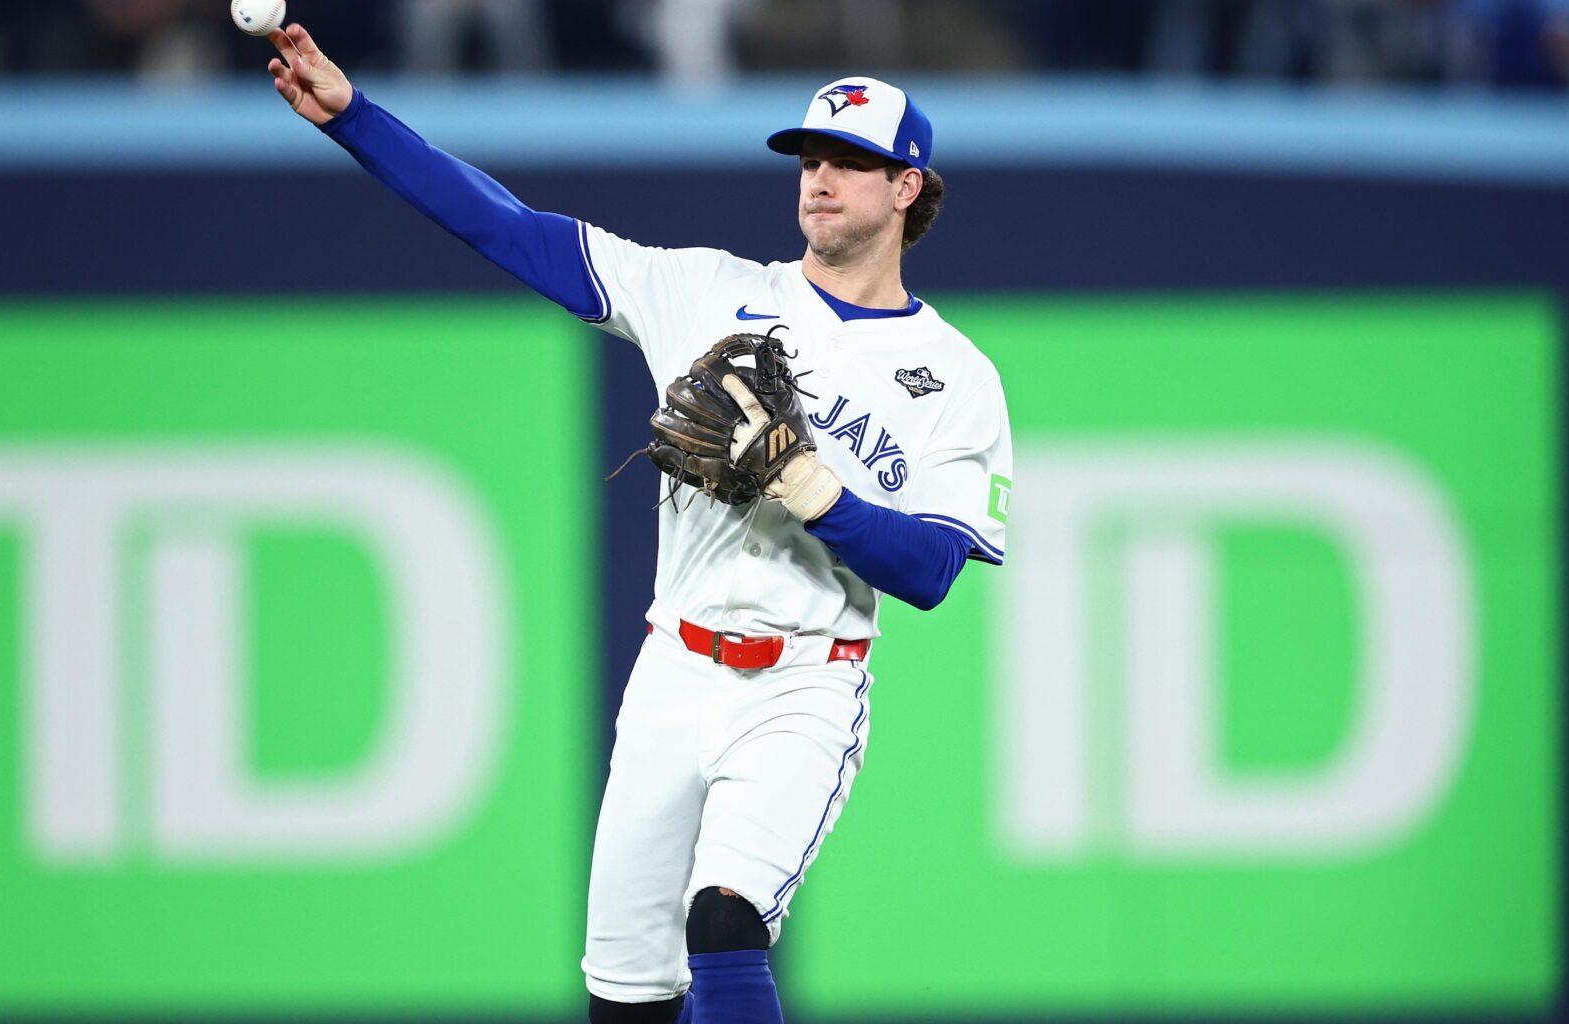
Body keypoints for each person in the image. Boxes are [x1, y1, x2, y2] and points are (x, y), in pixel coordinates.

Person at [263, 22, 1011, 1024]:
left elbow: (931, 570)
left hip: (804, 681)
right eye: (809, 159)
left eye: (850, 161)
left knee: (726, 919)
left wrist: (809, 485)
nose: (820, 179)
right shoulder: (706, 291)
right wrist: (355, 120)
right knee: (625, 992)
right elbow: (510, 230)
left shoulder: (956, 376)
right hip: (674, 669)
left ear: (907, 186)